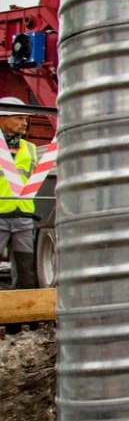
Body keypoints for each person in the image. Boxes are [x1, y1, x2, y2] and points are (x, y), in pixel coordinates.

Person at [0, 98, 39, 290]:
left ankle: (24, 315)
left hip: (23, 216)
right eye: (18, 118)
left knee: (25, 269)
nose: (24, 122)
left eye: (25, 118)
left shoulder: (30, 148)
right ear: (2, 119)